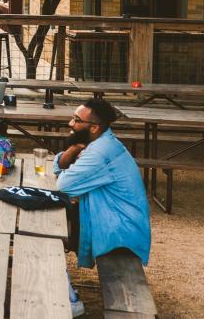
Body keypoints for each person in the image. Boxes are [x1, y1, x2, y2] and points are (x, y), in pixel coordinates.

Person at [55, 98, 150, 317]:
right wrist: (75, 148)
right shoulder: (100, 143)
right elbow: (62, 168)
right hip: (112, 220)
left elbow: (62, 185)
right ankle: (64, 285)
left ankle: (66, 294)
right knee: (59, 218)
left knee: (51, 221)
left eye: (76, 120)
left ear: (94, 127)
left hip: (119, 232)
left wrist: (67, 162)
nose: (70, 123)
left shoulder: (100, 152)